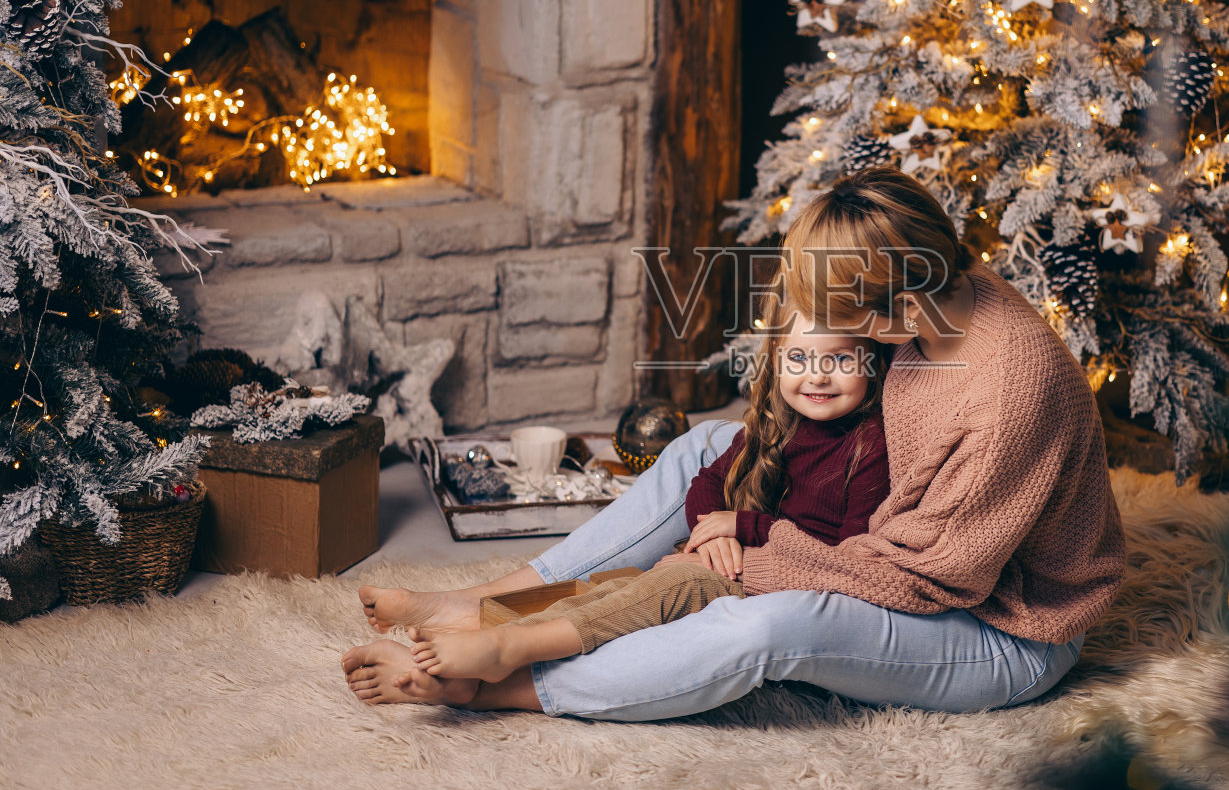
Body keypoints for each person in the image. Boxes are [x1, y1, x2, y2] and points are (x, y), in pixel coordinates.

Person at [343, 166, 1125, 718]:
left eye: (841, 313)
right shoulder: (937, 283)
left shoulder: (1005, 395)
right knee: (699, 450)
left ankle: (503, 685)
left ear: (894, 301)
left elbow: (926, 581)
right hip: (886, 537)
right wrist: (742, 495)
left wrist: (750, 549)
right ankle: (489, 601)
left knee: (767, 622)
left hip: (1002, 624)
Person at [395, 306, 892, 700]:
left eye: (840, 360)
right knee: (621, 591)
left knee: (670, 583)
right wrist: (709, 532)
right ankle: (485, 621)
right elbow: (706, 483)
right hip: (738, 563)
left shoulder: (870, 445)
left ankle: (505, 650)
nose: (818, 377)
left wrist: (743, 528)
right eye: (800, 360)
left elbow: (840, 555)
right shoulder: (775, 423)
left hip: (787, 589)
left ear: (870, 363)